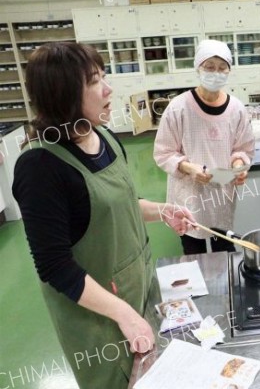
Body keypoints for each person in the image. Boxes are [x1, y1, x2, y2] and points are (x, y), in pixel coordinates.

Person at [12, 42, 194, 389]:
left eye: (104, 77)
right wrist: (124, 315)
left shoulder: (105, 137)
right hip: (99, 317)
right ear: (63, 94)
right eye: (95, 82)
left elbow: (120, 205)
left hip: (140, 292)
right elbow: (54, 266)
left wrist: (163, 211)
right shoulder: (40, 166)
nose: (109, 89)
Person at [154, 39, 255, 255]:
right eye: (209, 67)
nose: (216, 73)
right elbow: (163, 152)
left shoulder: (236, 109)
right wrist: (189, 168)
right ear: (198, 68)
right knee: (194, 251)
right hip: (189, 194)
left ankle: (226, 289)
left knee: (224, 247)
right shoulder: (178, 108)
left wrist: (238, 166)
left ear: (229, 71)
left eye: (222, 68)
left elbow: (243, 148)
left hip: (221, 192)